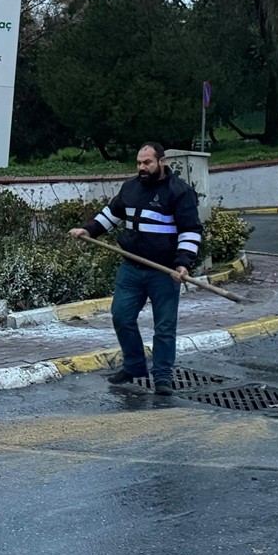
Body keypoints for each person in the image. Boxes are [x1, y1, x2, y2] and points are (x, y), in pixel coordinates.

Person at [69, 143, 202, 396]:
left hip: (164, 272)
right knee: (121, 317)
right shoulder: (130, 187)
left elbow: (190, 231)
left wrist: (183, 263)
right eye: (139, 163)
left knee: (164, 327)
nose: (142, 167)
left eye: (147, 163)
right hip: (131, 268)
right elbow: (111, 214)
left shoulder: (179, 192)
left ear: (162, 162)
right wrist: (89, 229)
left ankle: (162, 376)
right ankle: (134, 365)